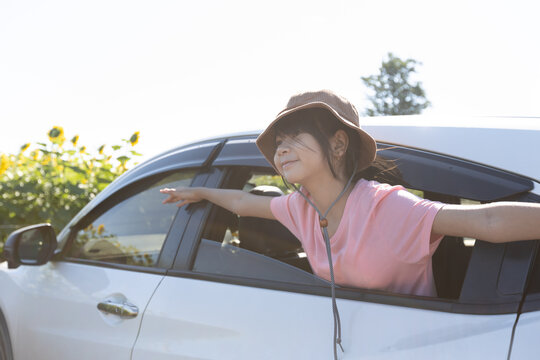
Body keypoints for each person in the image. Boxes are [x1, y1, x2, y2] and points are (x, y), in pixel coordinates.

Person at [160, 89, 540, 358]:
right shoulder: (299, 208)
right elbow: (244, 202)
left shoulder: (387, 207)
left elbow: (488, 219)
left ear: (338, 145)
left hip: (420, 348)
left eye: (295, 136)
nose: (281, 148)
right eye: (278, 141)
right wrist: (203, 194)